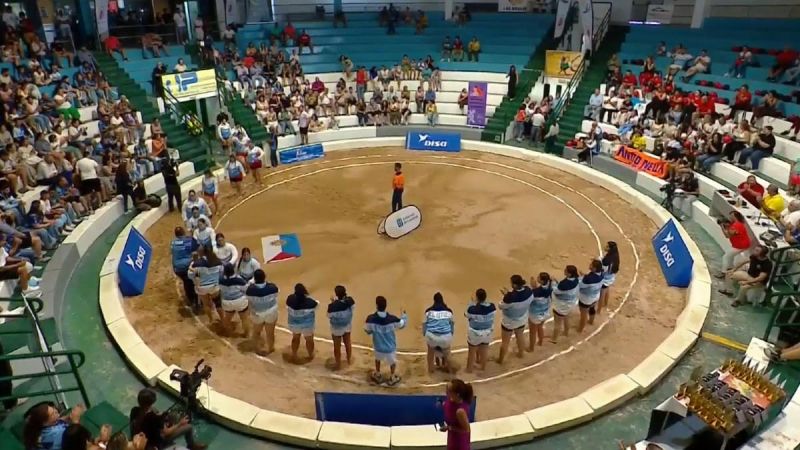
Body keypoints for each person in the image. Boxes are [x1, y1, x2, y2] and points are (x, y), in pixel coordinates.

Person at [130, 388, 205, 450]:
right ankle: (191, 445)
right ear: (150, 403)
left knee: (171, 417)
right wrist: (180, 423)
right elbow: (166, 433)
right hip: (155, 444)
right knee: (188, 427)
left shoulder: (134, 410)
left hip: (141, 439)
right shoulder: (154, 417)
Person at [364, 295, 407, 385]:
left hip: (378, 347)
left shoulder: (370, 319)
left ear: (376, 306)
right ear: (385, 306)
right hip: (390, 348)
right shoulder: (392, 319)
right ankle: (392, 376)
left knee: (377, 360)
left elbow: (367, 331)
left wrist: (375, 330)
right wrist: (404, 315)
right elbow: (402, 324)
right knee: (392, 363)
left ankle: (378, 374)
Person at [497, 274, 532, 364]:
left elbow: (501, 306)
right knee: (520, 336)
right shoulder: (528, 291)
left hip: (509, 322)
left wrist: (506, 295)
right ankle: (521, 354)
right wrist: (509, 294)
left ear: (515, 285)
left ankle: (500, 360)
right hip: (522, 319)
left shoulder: (510, 297)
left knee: (505, 342)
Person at [246, 269, 279, 356]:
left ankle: (257, 349)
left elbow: (249, 301)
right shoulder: (272, 287)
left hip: (257, 314)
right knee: (270, 333)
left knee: (256, 332)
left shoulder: (250, 290)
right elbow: (276, 295)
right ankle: (271, 348)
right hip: (271, 313)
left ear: (255, 279)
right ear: (264, 277)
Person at [190, 244, 223, 323]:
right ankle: (222, 319)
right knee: (218, 304)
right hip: (214, 286)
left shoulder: (197, 263)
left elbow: (191, 275)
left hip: (202, 288)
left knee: (206, 304)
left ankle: (211, 319)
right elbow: (221, 273)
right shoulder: (217, 261)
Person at [423, 292, 454, 374]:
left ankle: (430, 370)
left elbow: (424, 325)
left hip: (432, 337)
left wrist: (425, 334)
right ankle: (450, 370)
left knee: (430, 352)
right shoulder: (449, 311)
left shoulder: (428, 311)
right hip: (445, 337)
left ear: (434, 301)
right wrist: (450, 334)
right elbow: (452, 325)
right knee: (447, 353)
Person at [464, 288, 495, 373]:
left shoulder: (472, 309)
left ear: (477, 297)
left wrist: (472, 303)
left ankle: (469, 370)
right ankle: (483, 368)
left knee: (472, 352)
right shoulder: (492, 307)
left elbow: (466, 315)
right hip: (487, 332)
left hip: (475, 334)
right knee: (484, 351)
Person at [286, 283, 318, 363]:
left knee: (295, 338)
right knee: (309, 340)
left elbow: (288, 305)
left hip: (294, 324)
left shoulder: (290, 299)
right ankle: (310, 355)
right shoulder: (310, 302)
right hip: (307, 325)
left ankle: (294, 354)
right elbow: (316, 305)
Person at [716, 210, 751, 278]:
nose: (729, 217)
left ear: (734, 216)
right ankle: (730, 269)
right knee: (730, 256)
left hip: (740, 246)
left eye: (731, 216)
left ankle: (723, 272)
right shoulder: (736, 224)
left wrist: (722, 227)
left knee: (726, 256)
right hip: (741, 244)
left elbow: (727, 236)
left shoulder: (737, 225)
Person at [327, 285, 355, 370]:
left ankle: (338, 363)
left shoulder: (332, 306)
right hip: (347, 326)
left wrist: (333, 303)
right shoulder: (350, 301)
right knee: (347, 343)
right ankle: (349, 360)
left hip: (336, 329)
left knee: (337, 346)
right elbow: (351, 307)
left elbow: (329, 316)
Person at [439, 379, 472, 450]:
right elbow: (447, 406)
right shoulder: (450, 400)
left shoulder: (460, 411)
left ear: (457, 394)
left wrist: (449, 428)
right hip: (452, 438)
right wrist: (441, 404)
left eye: (449, 390)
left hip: (459, 443)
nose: (446, 391)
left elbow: (466, 429)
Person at [171, 227, 199, 308]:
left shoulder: (173, 243)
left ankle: (191, 300)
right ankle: (196, 300)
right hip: (188, 267)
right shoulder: (189, 241)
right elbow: (196, 251)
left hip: (177, 269)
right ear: (184, 232)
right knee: (194, 282)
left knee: (187, 282)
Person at [219, 264, 250, 336]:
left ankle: (228, 332)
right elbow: (246, 290)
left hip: (227, 303)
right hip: (240, 301)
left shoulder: (220, 280)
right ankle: (246, 334)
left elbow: (220, 290)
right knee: (244, 318)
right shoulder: (239, 280)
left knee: (227, 318)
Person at [552, 265, 580, 343]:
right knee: (566, 318)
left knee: (557, 323)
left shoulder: (564, 284)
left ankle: (554, 339)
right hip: (571, 304)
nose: (564, 271)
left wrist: (553, 282)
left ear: (569, 274)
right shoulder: (576, 280)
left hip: (561, 306)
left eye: (566, 270)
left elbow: (556, 291)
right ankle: (566, 332)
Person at [527, 273, 553, 352]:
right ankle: (540, 342)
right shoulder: (550, 287)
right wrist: (534, 287)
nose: (537, 277)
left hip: (535, 315)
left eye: (538, 277)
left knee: (532, 332)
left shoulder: (535, 292)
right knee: (540, 327)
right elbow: (542, 292)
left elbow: (532, 297)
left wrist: (533, 287)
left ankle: (531, 348)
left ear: (541, 281)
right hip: (545, 312)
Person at [577, 260, 604, 332]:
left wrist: (580, 278)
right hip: (595, 296)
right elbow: (591, 278)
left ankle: (580, 329)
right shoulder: (601, 274)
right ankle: (591, 321)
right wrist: (584, 276)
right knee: (592, 309)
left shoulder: (588, 279)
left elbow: (581, 285)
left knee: (583, 314)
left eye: (591, 265)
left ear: (595, 268)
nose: (589, 265)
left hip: (586, 299)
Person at [597, 242, 620, 316]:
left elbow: (603, 269)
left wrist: (599, 260)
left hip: (605, 278)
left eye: (607, 246)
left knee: (601, 295)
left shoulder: (607, 260)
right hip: (611, 277)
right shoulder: (616, 256)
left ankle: (598, 310)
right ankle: (605, 304)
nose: (605, 247)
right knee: (607, 290)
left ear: (610, 249)